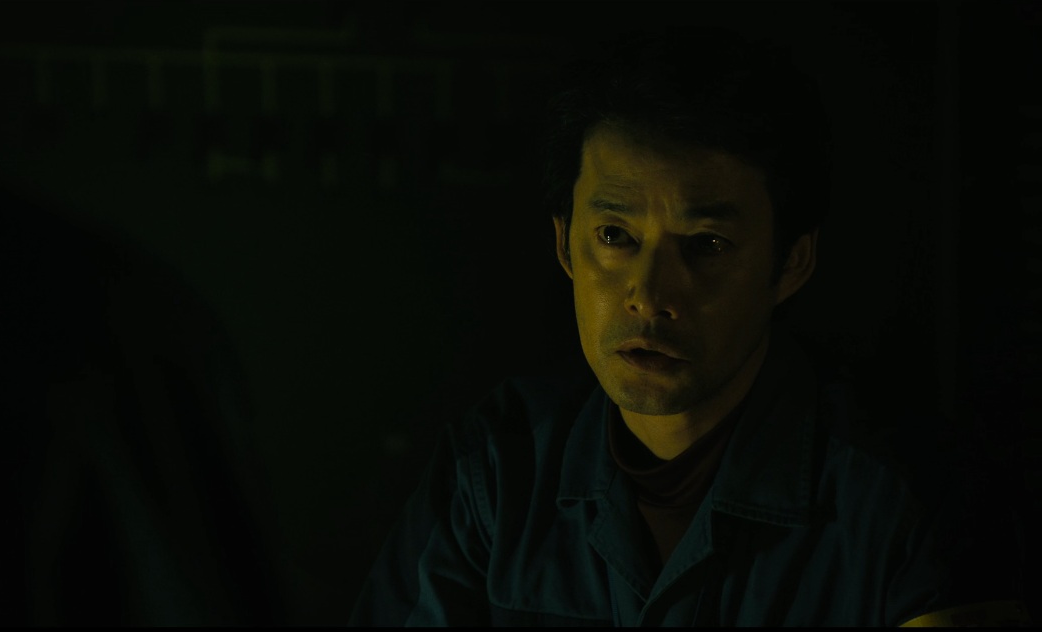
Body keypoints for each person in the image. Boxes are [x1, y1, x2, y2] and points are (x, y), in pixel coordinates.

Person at [348, 28, 1031, 626]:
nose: (649, 296)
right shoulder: (496, 475)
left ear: (790, 263)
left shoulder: (900, 499)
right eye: (614, 236)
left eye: (705, 245)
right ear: (564, 245)